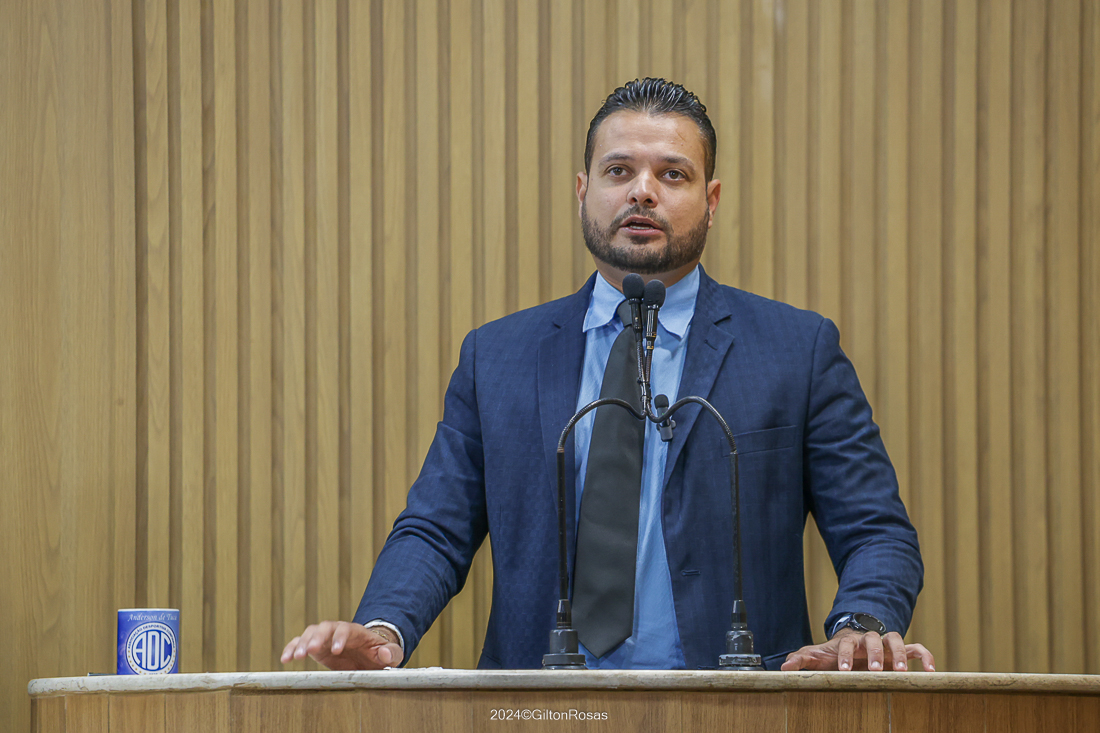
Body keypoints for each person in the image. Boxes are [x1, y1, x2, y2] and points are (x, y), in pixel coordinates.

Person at [282, 78, 934, 674]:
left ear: (711, 201)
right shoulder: (498, 357)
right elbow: (435, 528)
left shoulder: (796, 351)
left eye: (672, 174)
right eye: (618, 170)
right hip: (541, 709)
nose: (642, 191)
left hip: (736, 706)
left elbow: (876, 530)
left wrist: (861, 625)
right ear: (582, 191)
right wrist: (385, 627)